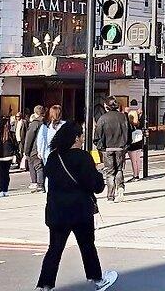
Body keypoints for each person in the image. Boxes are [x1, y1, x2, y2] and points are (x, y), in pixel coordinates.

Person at [36, 121, 117, 291]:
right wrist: (98, 175)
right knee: (87, 246)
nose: (82, 139)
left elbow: (49, 178)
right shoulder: (83, 157)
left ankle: (44, 285)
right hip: (80, 211)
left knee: (54, 249)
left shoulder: (53, 157)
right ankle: (96, 279)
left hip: (57, 210)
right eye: (80, 136)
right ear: (75, 138)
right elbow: (96, 186)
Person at [95, 98, 131, 200]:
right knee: (119, 169)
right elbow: (128, 132)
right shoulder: (123, 117)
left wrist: (100, 147)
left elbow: (97, 134)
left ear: (106, 106)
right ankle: (120, 188)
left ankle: (110, 195)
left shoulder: (102, 118)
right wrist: (126, 145)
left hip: (108, 148)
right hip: (120, 147)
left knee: (110, 172)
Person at [0, 117, 19, 198]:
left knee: (0, 175)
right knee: (6, 173)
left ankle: (0, 190)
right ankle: (5, 190)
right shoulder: (11, 134)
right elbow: (16, 145)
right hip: (9, 156)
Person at [24, 105, 47, 190]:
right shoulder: (46, 122)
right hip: (43, 148)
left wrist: (26, 151)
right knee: (40, 165)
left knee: (36, 166)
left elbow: (29, 138)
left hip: (34, 148)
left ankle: (37, 183)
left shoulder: (35, 123)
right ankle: (41, 183)